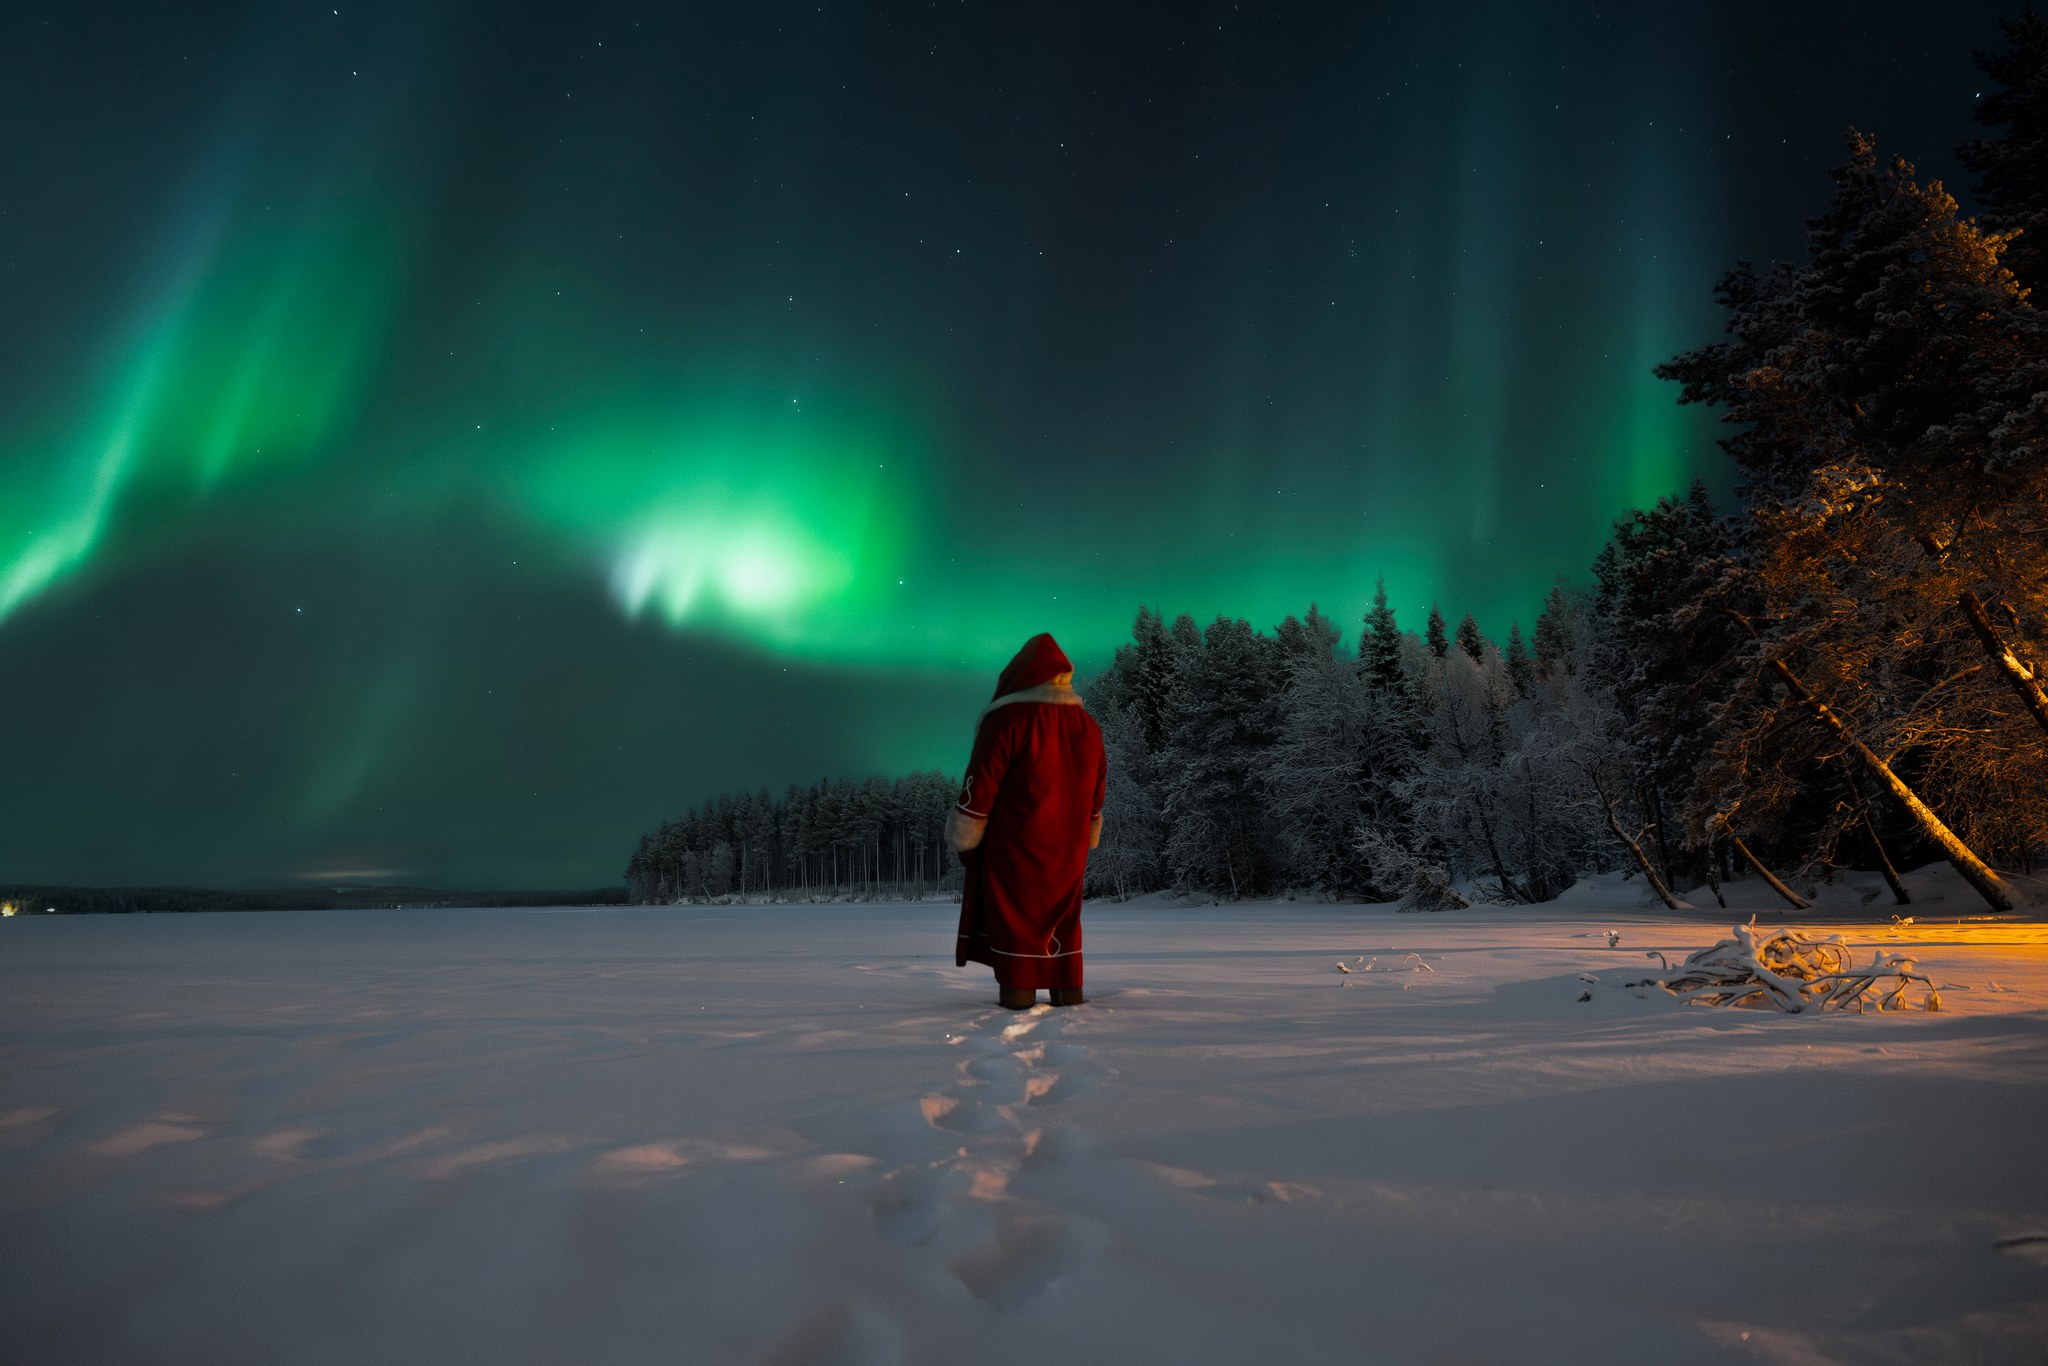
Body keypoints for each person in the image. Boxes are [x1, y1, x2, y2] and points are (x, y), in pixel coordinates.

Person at [948, 633, 1106, 1010]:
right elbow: (1097, 788)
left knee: (1017, 917)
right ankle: (1068, 989)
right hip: (1068, 848)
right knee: (1063, 919)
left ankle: (1018, 994)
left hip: (1016, 844)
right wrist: (1090, 827)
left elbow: (981, 781)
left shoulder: (1008, 719)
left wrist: (967, 831)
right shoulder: (1087, 726)